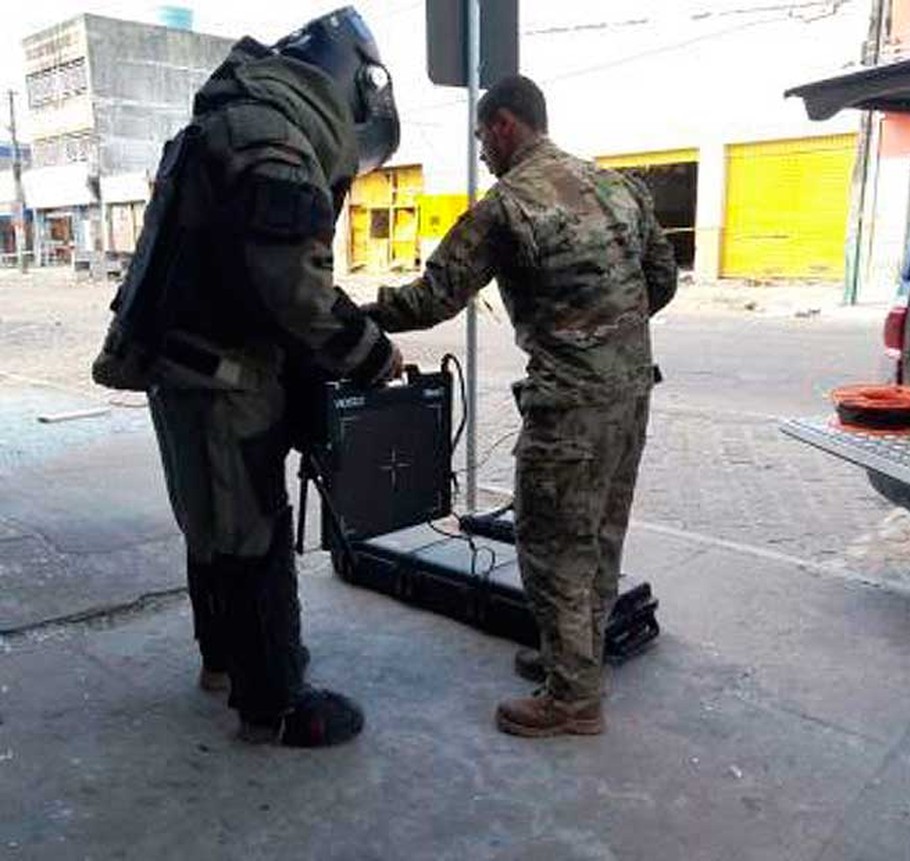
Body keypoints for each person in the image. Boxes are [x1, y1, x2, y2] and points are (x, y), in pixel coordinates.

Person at [93, 7, 402, 746]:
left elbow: (253, 265)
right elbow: (293, 285)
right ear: (348, 89)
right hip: (222, 376)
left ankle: (224, 660)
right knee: (251, 530)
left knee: (211, 521)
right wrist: (371, 352)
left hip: (189, 365)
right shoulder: (271, 136)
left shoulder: (233, 120)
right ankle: (274, 701)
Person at [363, 74, 677, 737]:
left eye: (482, 137)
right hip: (630, 393)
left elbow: (433, 298)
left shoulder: (508, 206)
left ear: (505, 125)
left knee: (551, 543)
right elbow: (661, 279)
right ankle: (577, 657)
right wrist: (605, 331)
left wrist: (360, 314)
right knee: (599, 535)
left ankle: (572, 699)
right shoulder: (618, 187)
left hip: (569, 405)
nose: (481, 152)